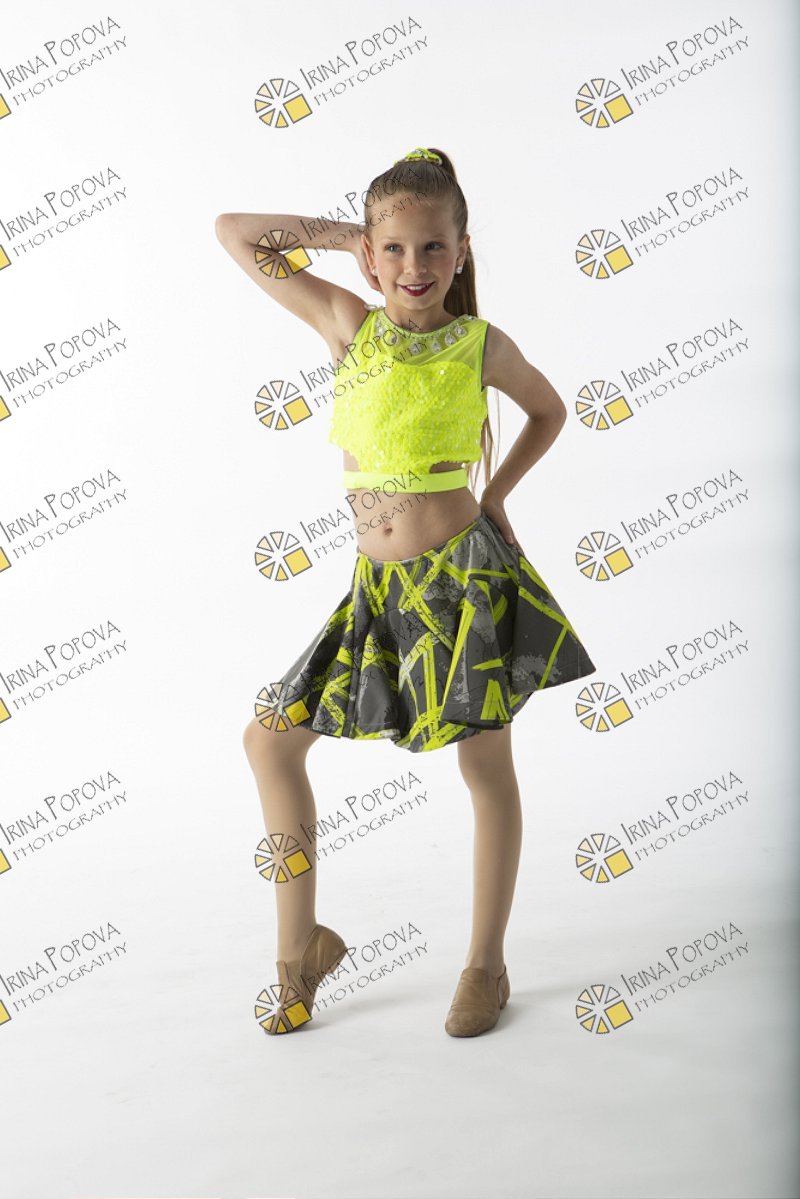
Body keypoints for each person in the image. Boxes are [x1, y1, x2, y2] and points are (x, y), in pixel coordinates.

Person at [215, 147, 597, 1039]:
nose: (413, 266)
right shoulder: (348, 324)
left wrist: (496, 495)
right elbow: (234, 233)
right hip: (377, 593)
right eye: (394, 248)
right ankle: (301, 950)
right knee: (270, 741)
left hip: (464, 584)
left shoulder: (479, 346)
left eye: (432, 247)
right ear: (372, 257)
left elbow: (550, 410)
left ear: (461, 253)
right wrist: (347, 235)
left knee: (484, 767)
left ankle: (485, 963)